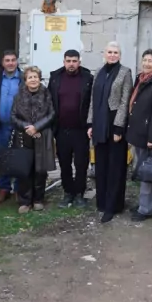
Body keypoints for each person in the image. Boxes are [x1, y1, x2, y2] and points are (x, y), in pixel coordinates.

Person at [87, 41, 134, 223]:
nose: (112, 55)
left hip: (115, 123)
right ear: (104, 54)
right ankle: (102, 201)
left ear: (120, 55)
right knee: (101, 165)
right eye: (110, 52)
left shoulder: (125, 72)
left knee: (115, 167)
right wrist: (90, 123)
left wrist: (118, 127)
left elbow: (125, 100)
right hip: (99, 124)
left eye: (116, 52)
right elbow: (93, 99)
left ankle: (113, 205)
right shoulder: (99, 71)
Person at [126, 49, 152, 222]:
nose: (146, 63)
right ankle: (146, 204)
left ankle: (146, 209)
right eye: (144, 60)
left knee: (149, 172)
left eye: (150, 61)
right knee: (144, 171)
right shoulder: (141, 79)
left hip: (149, 137)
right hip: (139, 133)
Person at [48, 49, 94, 209]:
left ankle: (80, 193)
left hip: (81, 130)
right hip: (61, 130)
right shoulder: (55, 78)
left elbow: (92, 103)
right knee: (64, 163)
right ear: (64, 62)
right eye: (68, 61)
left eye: (74, 61)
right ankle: (68, 192)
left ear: (79, 62)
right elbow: (50, 101)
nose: (71, 64)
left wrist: (90, 125)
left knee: (81, 164)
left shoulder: (87, 78)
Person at [10, 66, 56, 214]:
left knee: (40, 170)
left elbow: (51, 114)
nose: (33, 80)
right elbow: (13, 116)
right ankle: (25, 201)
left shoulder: (46, 94)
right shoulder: (18, 96)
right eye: (30, 77)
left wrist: (36, 127)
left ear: (39, 78)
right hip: (23, 137)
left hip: (41, 135)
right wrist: (27, 127)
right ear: (25, 80)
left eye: (35, 77)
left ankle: (38, 199)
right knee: (25, 170)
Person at [0, 50, 22, 203]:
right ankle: (4, 188)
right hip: (1, 126)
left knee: (18, 157)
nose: (10, 63)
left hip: (19, 126)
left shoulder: (23, 78)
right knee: (3, 158)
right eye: (7, 60)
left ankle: (18, 189)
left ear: (17, 61)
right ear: (2, 62)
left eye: (13, 60)